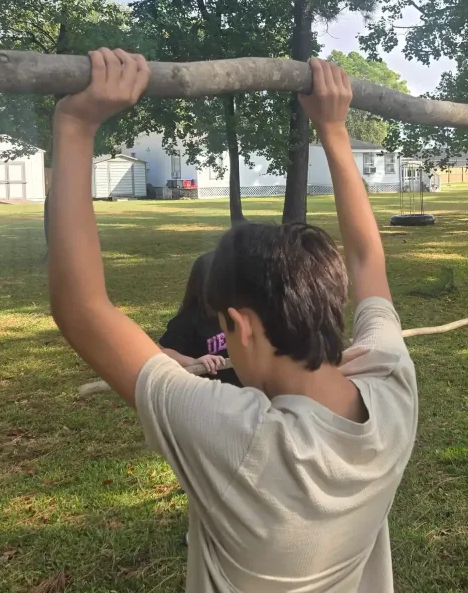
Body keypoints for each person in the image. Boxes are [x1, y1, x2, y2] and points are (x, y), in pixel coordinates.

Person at [46, 49, 417, 591]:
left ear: (241, 326)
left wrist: (76, 125)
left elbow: (82, 310)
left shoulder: (239, 437)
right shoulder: (391, 386)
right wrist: (334, 129)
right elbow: (368, 261)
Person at [158, 251, 242, 387]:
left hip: (241, 389)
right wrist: (192, 362)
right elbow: (162, 351)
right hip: (210, 392)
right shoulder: (188, 320)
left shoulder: (236, 310)